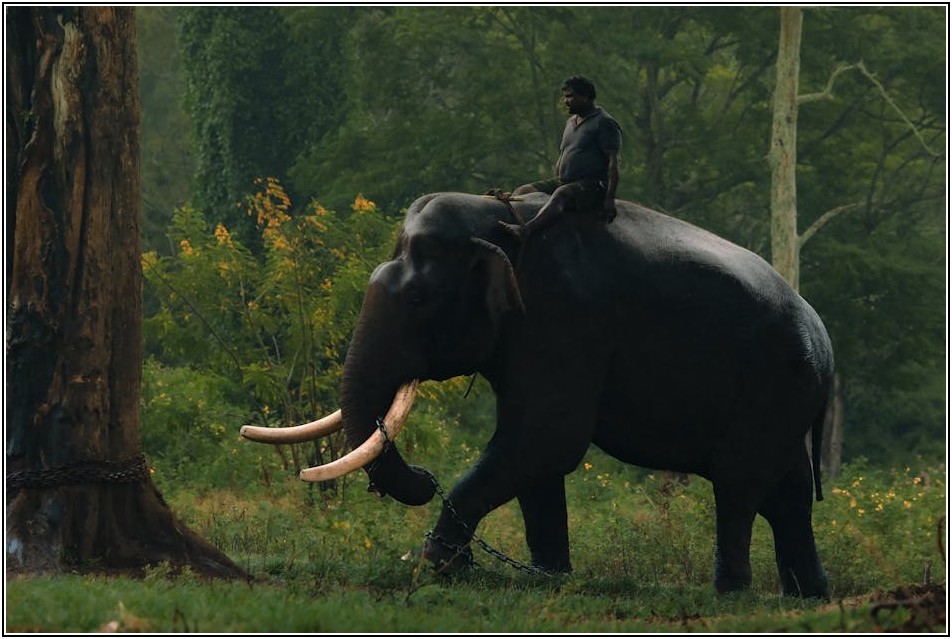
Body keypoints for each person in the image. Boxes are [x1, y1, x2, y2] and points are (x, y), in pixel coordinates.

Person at [500, 75, 622, 241]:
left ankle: (526, 230)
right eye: (565, 96)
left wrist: (609, 199)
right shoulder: (571, 122)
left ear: (586, 96)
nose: (566, 101)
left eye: (570, 96)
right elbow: (564, 153)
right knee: (523, 191)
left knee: (561, 193)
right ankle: (511, 225)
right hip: (564, 180)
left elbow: (613, 163)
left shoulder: (605, 123)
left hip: (592, 184)